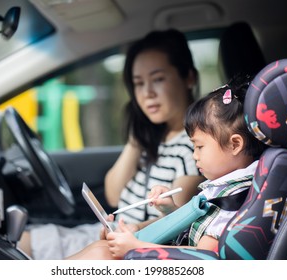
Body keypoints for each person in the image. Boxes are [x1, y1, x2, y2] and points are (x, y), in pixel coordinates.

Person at [18, 29, 204, 259]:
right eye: (138, 83)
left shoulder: (195, 146)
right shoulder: (155, 137)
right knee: (21, 240)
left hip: (132, 243)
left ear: (189, 77)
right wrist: (137, 138)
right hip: (112, 234)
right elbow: (113, 195)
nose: (147, 93)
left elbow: (175, 220)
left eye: (158, 79)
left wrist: (134, 231)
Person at [65, 74, 267, 259]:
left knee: (102, 255)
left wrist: (137, 247)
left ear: (235, 144)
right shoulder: (224, 187)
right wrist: (170, 209)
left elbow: (205, 255)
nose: (194, 155)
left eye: (199, 147)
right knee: (102, 249)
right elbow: (195, 230)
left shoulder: (234, 199)